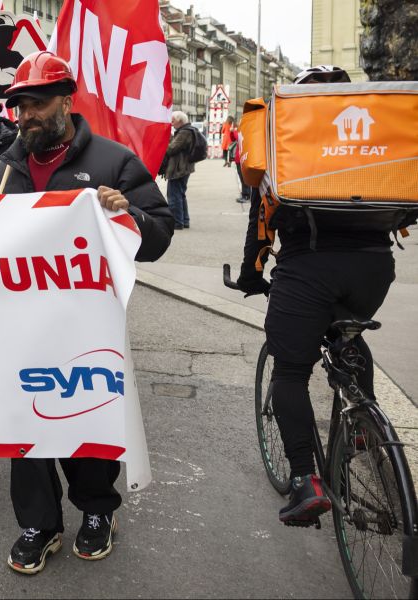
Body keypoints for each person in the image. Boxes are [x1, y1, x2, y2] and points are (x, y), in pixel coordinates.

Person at [0, 51, 174, 575]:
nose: (27, 116)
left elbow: (158, 235)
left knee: (84, 417)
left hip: (84, 329)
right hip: (20, 326)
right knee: (24, 425)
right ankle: (39, 524)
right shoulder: (9, 168)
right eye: (19, 107)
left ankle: (97, 511)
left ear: (67, 100)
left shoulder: (115, 161)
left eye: (38, 103)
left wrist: (129, 212)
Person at [234, 64, 410, 526]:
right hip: (375, 267)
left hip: (309, 268)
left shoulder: (285, 140)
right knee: (347, 337)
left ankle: (304, 481)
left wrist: (253, 274)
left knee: (290, 372)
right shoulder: (374, 134)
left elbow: (261, 220)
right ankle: (359, 428)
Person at [162, 111, 196, 230]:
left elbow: (171, 149)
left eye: (173, 121)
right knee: (180, 195)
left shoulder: (185, 132)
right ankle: (184, 220)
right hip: (182, 168)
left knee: (174, 196)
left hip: (179, 169)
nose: (171, 123)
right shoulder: (186, 131)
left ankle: (177, 222)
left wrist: (164, 139)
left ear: (180, 121)